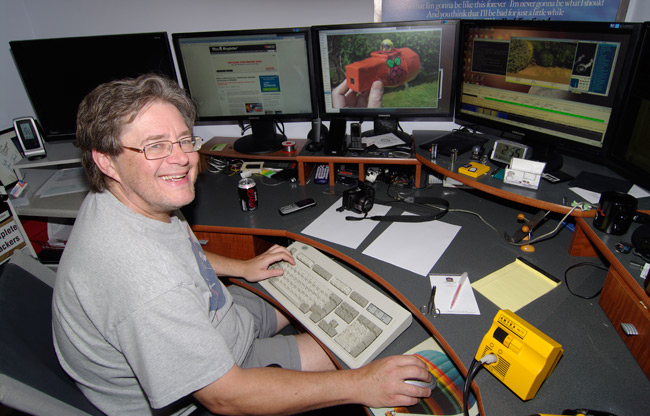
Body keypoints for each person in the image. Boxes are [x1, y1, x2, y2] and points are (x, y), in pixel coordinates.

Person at [52, 74, 431, 416]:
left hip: (220, 317)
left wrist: (242, 268)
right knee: (365, 346)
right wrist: (361, 385)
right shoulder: (145, 285)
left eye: (184, 139)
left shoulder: (124, 200)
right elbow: (225, 396)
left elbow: (180, 254)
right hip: (223, 380)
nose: (182, 159)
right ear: (107, 161)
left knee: (306, 267)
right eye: (155, 146)